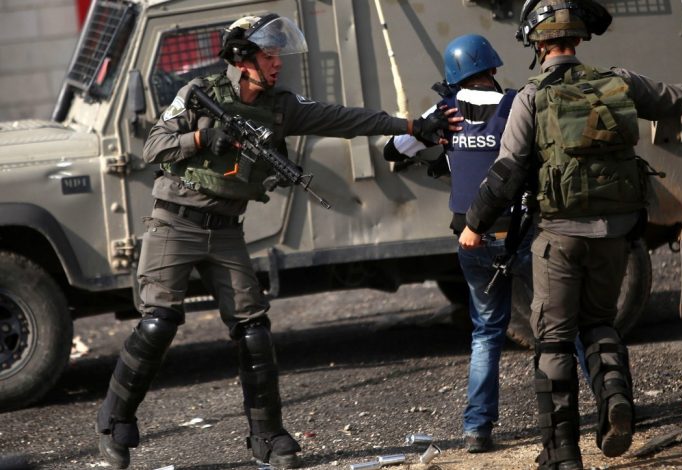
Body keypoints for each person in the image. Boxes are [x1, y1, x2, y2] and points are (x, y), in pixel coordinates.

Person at [95, 13, 460, 470]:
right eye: (269, 56)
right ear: (242, 58)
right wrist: (204, 136)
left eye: (277, 56)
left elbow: (343, 118)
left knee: (254, 330)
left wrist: (411, 127)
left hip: (225, 229)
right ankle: (115, 422)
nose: (278, 63)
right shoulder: (199, 93)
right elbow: (153, 147)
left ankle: (267, 436)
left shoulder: (281, 107)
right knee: (159, 323)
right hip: (175, 222)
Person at [458, 1, 682, 469]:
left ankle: (562, 454)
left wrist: (474, 225)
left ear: (536, 44)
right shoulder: (619, 82)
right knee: (599, 324)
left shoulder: (530, 97)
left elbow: (506, 173)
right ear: (578, 38)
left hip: (559, 237)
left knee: (554, 340)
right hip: (616, 234)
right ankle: (615, 401)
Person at [385, 34, 532, 453]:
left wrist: (434, 131)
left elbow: (393, 151)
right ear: (493, 68)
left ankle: (477, 430)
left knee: (486, 333)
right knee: (559, 321)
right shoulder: (517, 105)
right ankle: (608, 401)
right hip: (520, 232)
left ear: (453, 74)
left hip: (471, 238)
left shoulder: (444, 111)